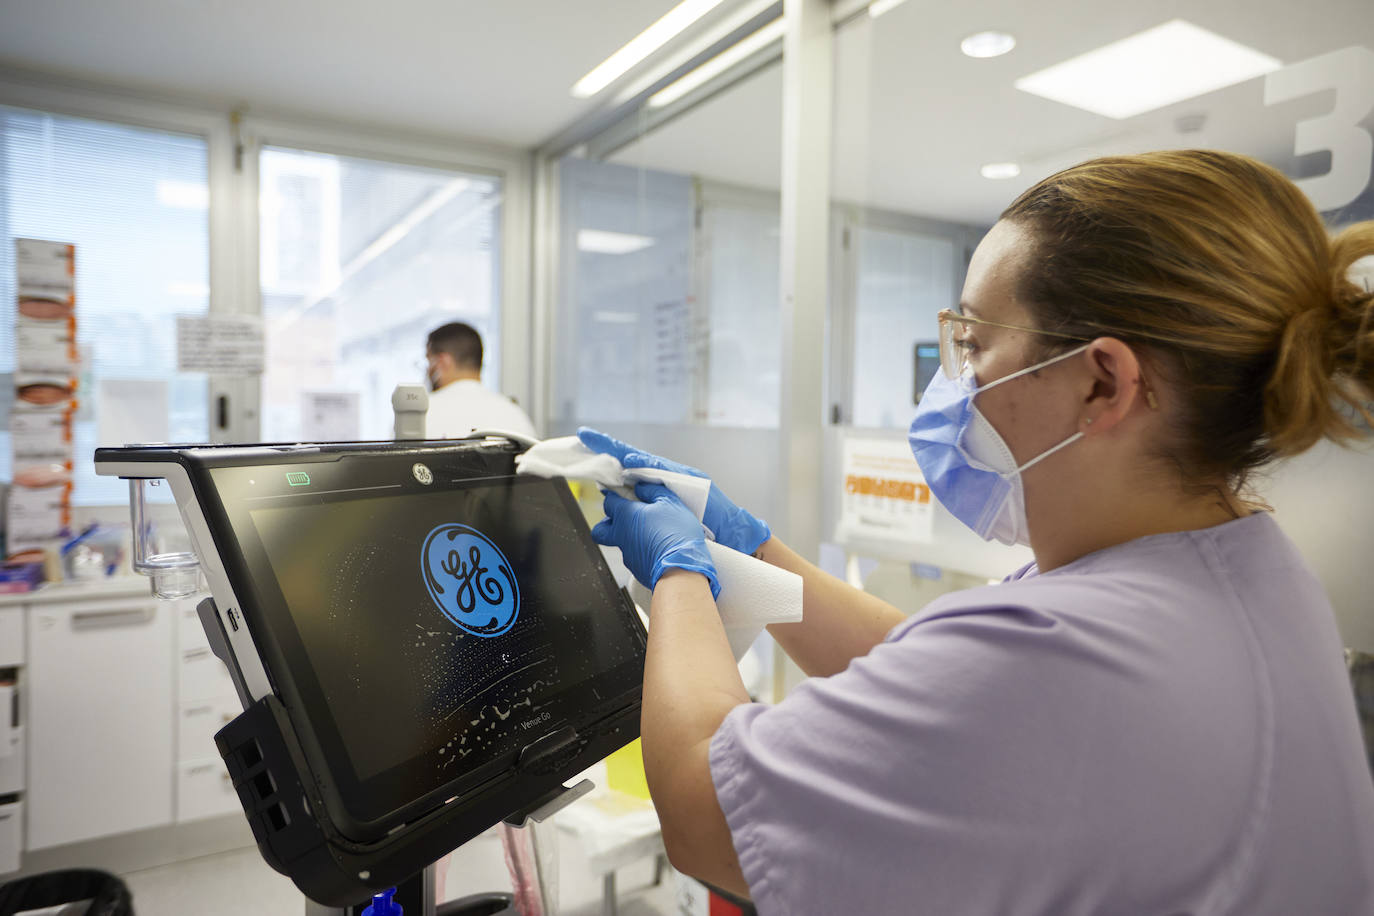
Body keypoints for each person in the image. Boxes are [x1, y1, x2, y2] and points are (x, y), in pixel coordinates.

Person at [580, 150, 1374, 914]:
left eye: (973, 346)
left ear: (1103, 382)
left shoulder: (1072, 655)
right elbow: (934, 666)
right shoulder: (1233, 562)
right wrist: (751, 549)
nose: (952, 387)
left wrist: (680, 572)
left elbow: (702, 806)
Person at [423, 321, 536, 439]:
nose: (426, 370)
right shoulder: (517, 416)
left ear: (442, 362)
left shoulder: (421, 417)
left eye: (428, 361)